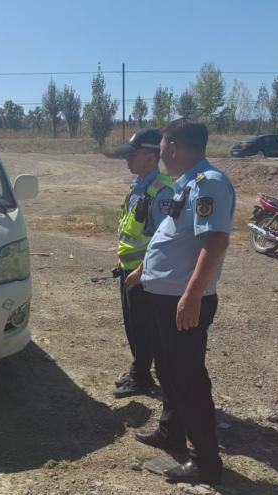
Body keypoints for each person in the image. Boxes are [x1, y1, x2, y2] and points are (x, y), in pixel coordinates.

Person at [134, 119, 236, 485]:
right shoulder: (187, 184)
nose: (160, 153)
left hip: (184, 300)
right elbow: (176, 237)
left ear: (174, 147)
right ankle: (171, 431)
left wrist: (192, 295)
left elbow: (216, 241)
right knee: (168, 369)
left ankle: (206, 461)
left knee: (188, 378)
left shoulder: (210, 184)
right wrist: (144, 270)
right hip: (167, 297)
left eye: (162, 146)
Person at [110, 128, 174, 398]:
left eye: (132, 155)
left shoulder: (162, 192)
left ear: (150, 157)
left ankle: (141, 377)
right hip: (129, 270)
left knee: (144, 328)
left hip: (144, 275)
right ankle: (140, 371)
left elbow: (165, 241)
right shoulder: (139, 186)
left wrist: (141, 270)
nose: (127, 160)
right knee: (133, 326)